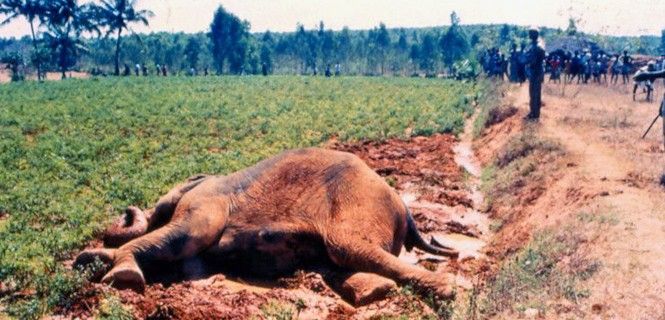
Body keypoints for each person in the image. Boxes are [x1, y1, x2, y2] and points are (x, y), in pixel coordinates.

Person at [525, 28, 545, 121]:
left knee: (534, 93)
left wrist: (527, 62)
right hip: (537, 71)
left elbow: (533, 61)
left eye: (530, 34)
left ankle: (535, 114)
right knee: (534, 93)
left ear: (533, 35)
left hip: (535, 72)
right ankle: (534, 112)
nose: (529, 35)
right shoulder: (537, 45)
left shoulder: (537, 47)